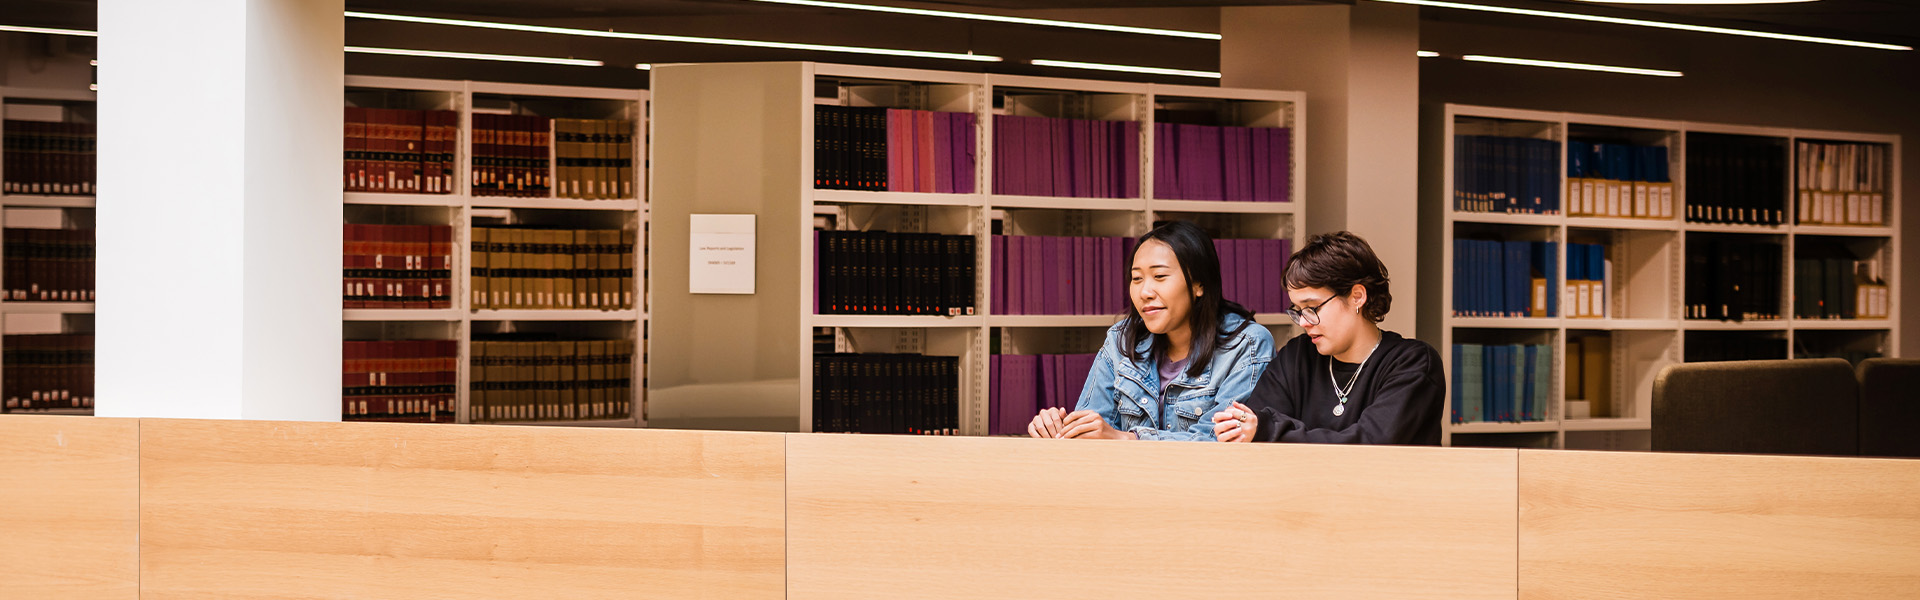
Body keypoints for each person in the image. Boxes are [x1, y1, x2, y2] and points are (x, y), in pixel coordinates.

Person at [1028, 221, 1273, 441]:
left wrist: (1128, 439)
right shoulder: (1121, 339)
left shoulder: (1247, 345)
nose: (1145, 292)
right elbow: (1094, 427)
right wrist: (1060, 428)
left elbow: (1217, 441)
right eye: (1136, 279)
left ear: (1199, 284)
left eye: (1159, 276)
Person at [1212, 231, 1444, 445]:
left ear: (1357, 296)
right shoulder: (1297, 355)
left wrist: (1269, 431)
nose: (1303, 322)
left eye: (1312, 307)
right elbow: (1254, 424)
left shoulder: (1413, 363)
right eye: (1298, 310)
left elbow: (1370, 446)